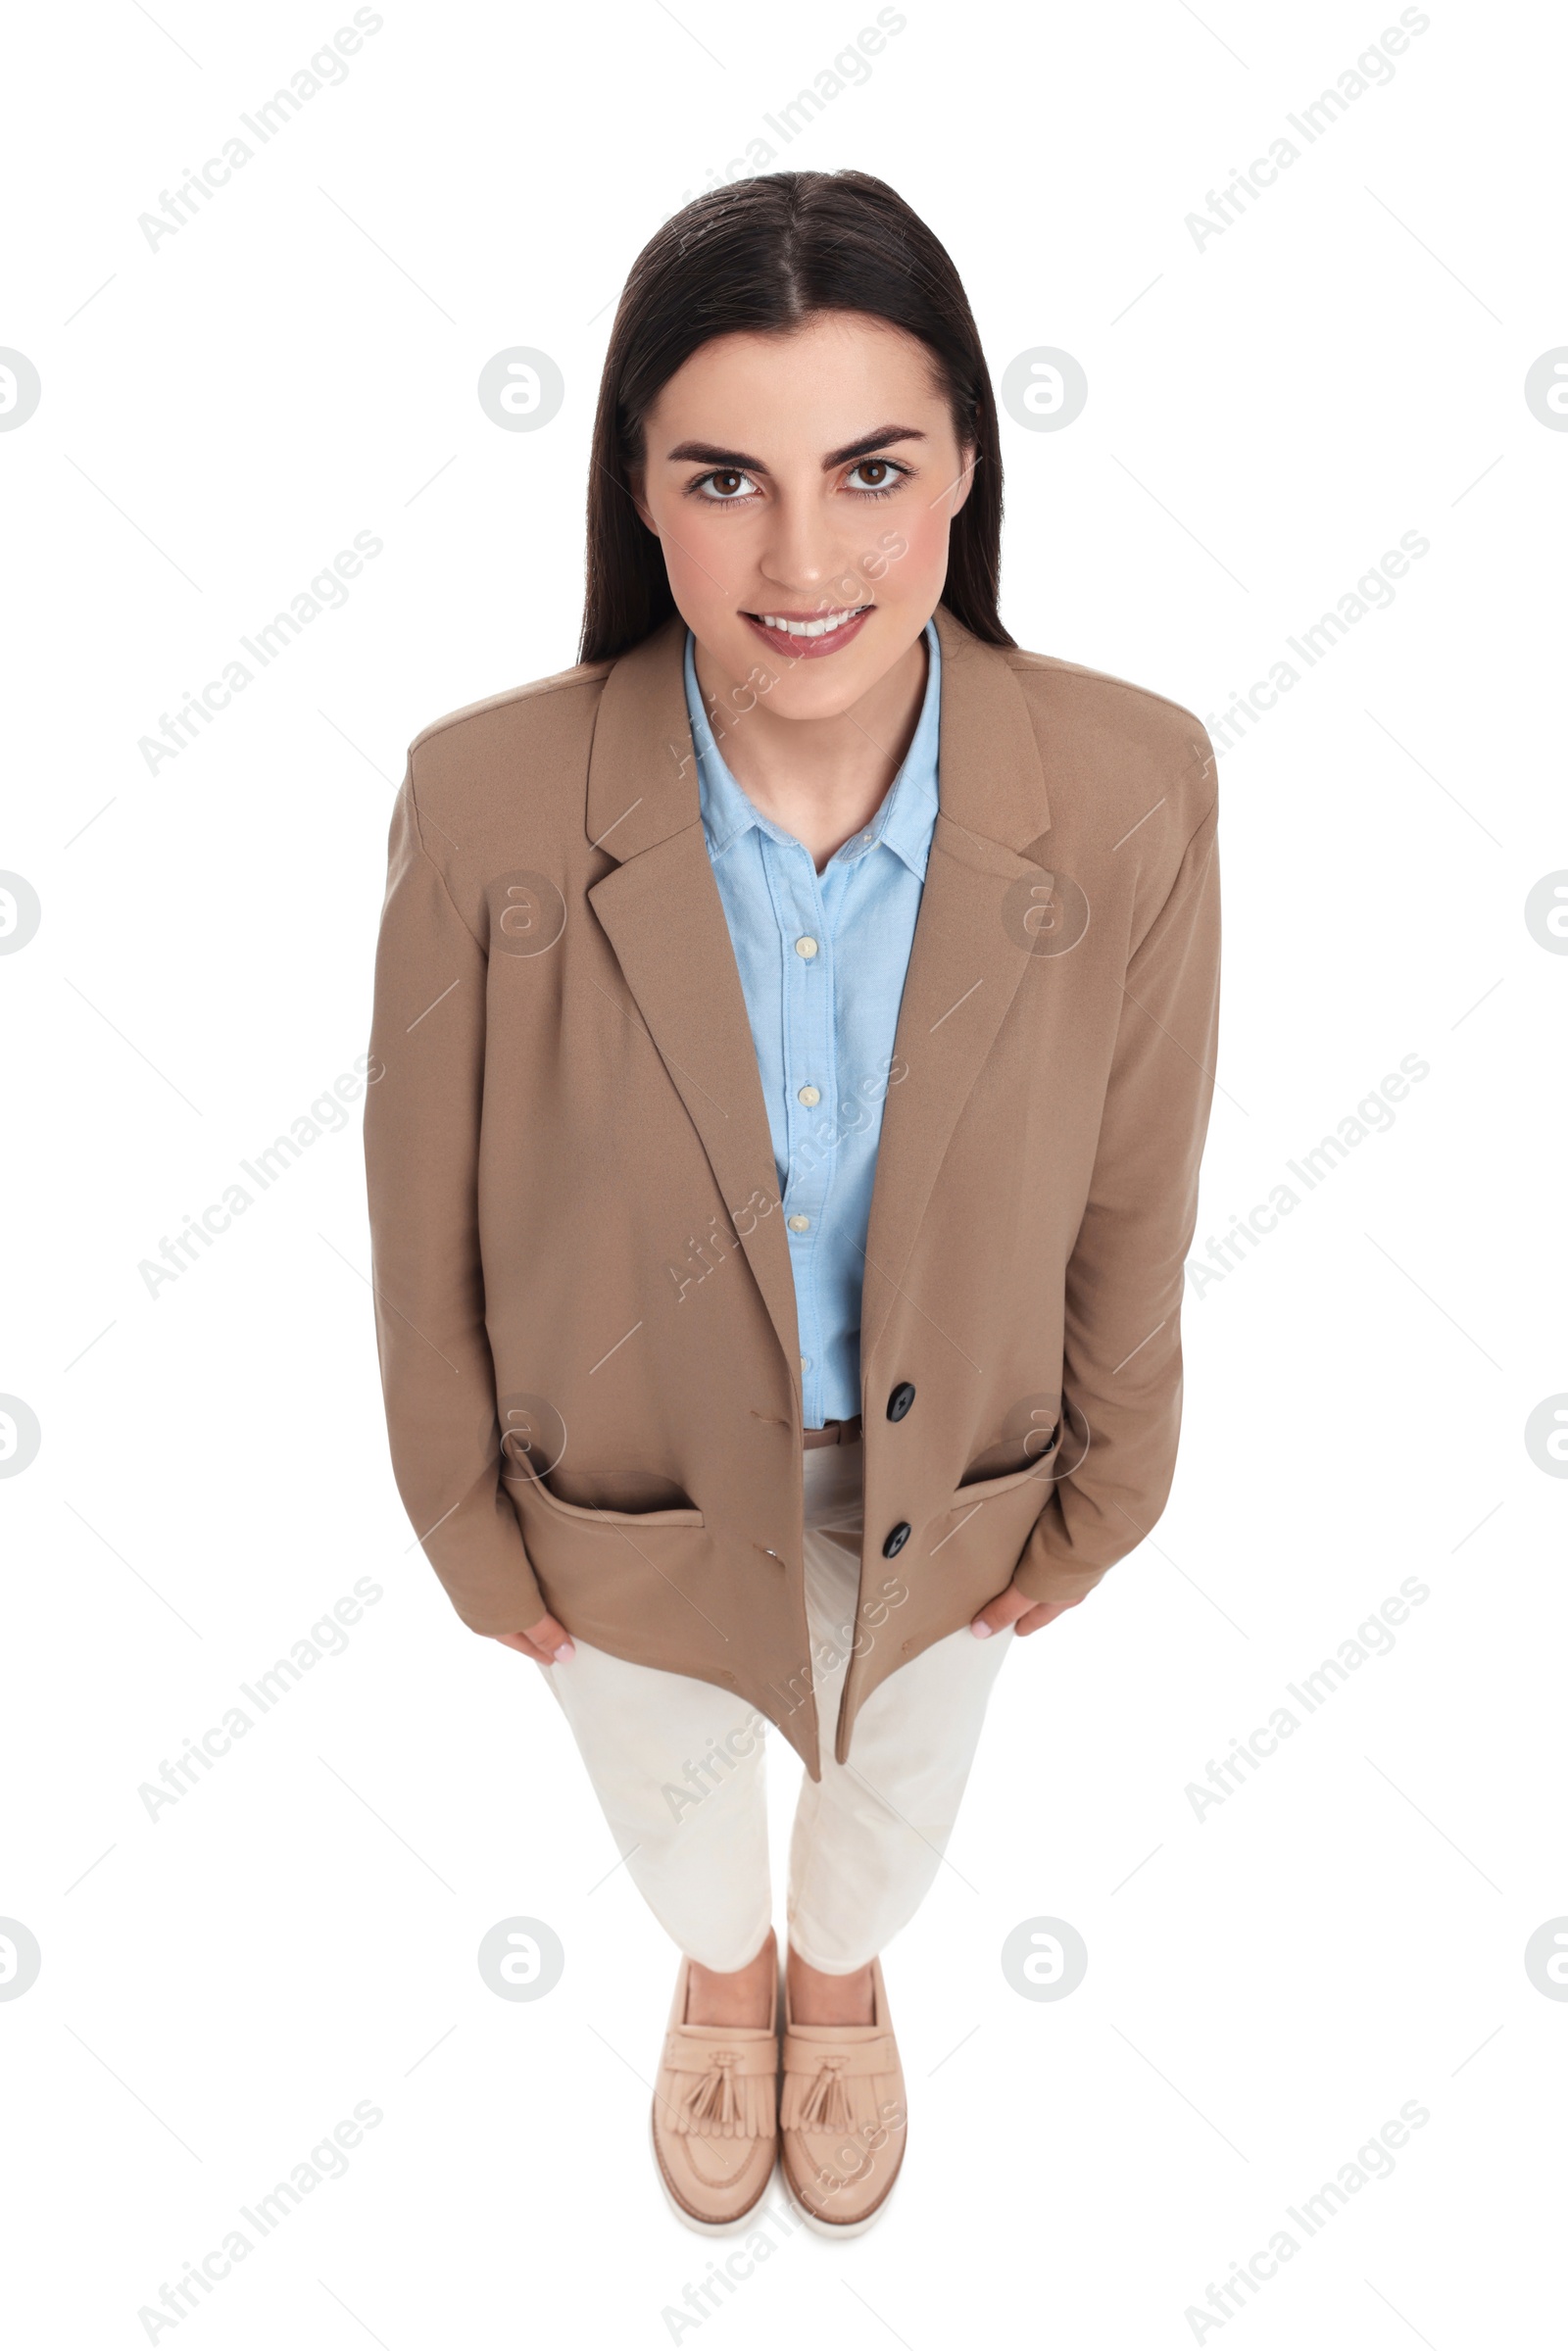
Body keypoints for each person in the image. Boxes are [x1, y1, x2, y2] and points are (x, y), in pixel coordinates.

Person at [363, 168, 1220, 2237]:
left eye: (868, 467)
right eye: (724, 478)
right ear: (639, 496)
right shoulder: (487, 798)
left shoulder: (1128, 787)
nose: (805, 554)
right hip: (622, 1488)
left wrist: (1116, 1484)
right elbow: (420, 1215)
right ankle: (723, 1975)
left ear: (963, 469)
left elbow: (1136, 1171)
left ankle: (834, 1984)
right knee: (671, 1808)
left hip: (968, 1472)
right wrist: (466, 1530)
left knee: (897, 1796)